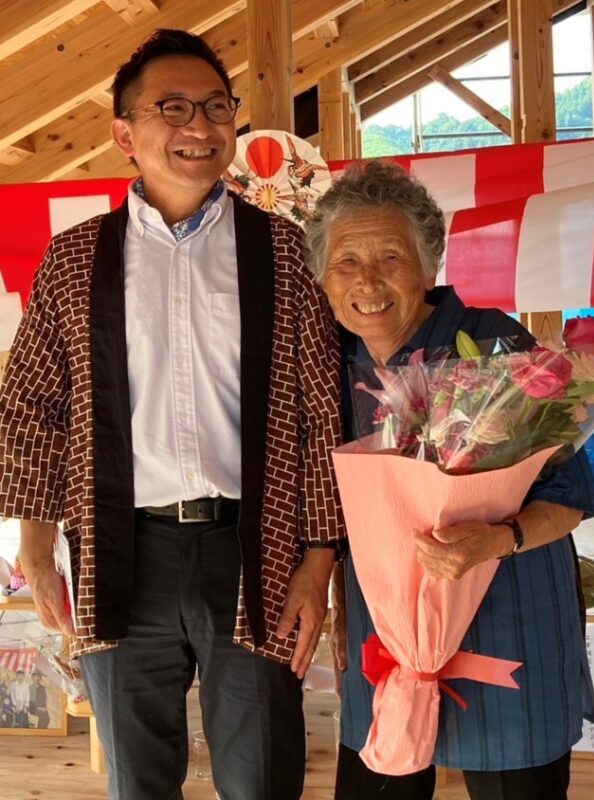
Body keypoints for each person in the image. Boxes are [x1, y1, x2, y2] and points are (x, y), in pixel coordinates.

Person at [0, 28, 344, 800]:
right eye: (173, 108)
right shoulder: (76, 258)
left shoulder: (283, 251)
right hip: (119, 548)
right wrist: (36, 545)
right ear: (125, 134)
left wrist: (318, 561)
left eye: (217, 107)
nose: (200, 126)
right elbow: (31, 404)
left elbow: (321, 415)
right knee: (139, 780)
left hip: (254, 549)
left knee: (263, 776)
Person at [304, 160, 594, 800]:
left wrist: (498, 540)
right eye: (347, 262)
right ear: (323, 278)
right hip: (386, 627)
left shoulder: (494, 348)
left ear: (429, 265)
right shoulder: (326, 361)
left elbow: (572, 495)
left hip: (509, 610)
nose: (368, 281)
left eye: (391, 256)